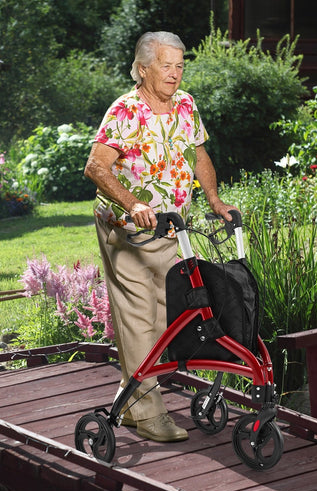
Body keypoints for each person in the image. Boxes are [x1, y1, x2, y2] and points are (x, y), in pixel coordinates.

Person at [84, 31, 236, 443]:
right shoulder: (125, 112)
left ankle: (130, 397)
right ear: (144, 68)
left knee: (165, 311)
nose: (174, 74)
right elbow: (96, 168)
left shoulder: (186, 104)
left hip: (172, 227)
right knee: (139, 314)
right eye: (166, 66)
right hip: (127, 231)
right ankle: (148, 413)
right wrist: (132, 203)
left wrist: (215, 200)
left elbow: (198, 154)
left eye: (180, 65)